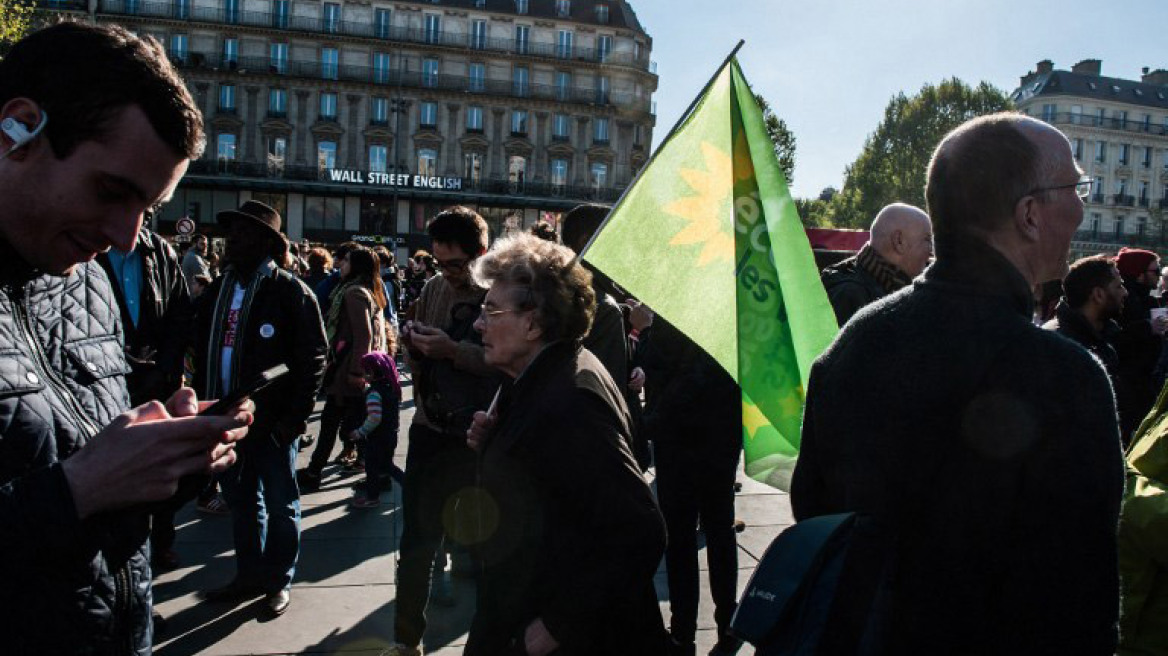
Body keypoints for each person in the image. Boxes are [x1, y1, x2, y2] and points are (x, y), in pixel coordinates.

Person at [791, 113, 1124, 654]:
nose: (1084, 207)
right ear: (1030, 215)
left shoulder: (858, 340)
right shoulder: (1063, 376)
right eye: (1076, 186)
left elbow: (817, 521)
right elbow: (1079, 607)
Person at [0, 22, 252, 653]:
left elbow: (81, 462)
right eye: (112, 191)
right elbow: (73, 486)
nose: (126, 237)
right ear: (19, 128)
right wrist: (76, 490)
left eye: (149, 208)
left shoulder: (86, 279)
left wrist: (168, 460)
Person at [463, 233, 668, 656]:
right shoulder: (544, 373)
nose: (478, 324)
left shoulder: (568, 400)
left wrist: (556, 626)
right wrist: (495, 443)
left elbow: (638, 530)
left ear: (534, 322)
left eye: (490, 310)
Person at [192, 200, 327, 617]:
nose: (231, 240)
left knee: (282, 502)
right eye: (230, 231)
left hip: (272, 422)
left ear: (266, 243)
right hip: (225, 419)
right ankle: (249, 575)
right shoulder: (219, 287)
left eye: (242, 232)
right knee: (242, 501)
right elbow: (197, 341)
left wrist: (294, 418)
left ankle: (277, 581)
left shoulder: (289, 291)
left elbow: (311, 359)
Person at [381, 207, 498, 656]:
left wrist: (453, 351)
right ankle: (406, 641)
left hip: (476, 439)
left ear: (480, 253)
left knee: (485, 547)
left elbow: (505, 365)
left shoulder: (500, 292)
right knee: (417, 543)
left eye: (455, 263)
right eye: (438, 261)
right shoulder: (432, 287)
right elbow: (421, 365)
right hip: (430, 430)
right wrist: (413, 344)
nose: (446, 273)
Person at [639, 317, 743, 656]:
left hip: (682, 437)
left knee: (684, 536)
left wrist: (651, 422)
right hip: (718, 433)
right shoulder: (730, 317)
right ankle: (725, 624)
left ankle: (686, 631)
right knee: (717, 530)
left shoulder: (678, 316)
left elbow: (668, 371)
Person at [98, 224, 196, 571]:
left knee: (159, 471)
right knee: (112, 477)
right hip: (103, 383)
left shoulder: (159, 251)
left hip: (156, 382)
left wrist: (165, 367)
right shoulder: (90, 244)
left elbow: (181, 315)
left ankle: (159, 544)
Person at [300, 245, 388, 488]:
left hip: (348, 369)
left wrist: (355, 371)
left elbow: (364, 336)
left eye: (347, 260)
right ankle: (374, 472)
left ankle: (315, 471)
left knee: (332, 422)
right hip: (354, 368)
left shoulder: (353, 293)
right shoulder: (366, 291)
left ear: (356, 266)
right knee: (354, 422)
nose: (341, 264)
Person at [819, 203, 933, 325]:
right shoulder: (849, 295)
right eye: (927, 239)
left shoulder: (876, 285)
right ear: (899, 241)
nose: (931, 251)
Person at [1043, 255, 1126, 381]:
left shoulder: (1102, 338)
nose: (1125, 292)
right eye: (1119, 286)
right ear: (1098, 295)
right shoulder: (1060, 347)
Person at [1115, 247, 1168, 441]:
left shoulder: (1146, 299)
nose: (1159, 274)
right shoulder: (1124, 301)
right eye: (1155, 270)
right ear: (1139, 274)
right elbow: (1118, 336)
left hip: (1145, 378)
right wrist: (1148, 327)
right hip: (1130, 380)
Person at [347, 351, 405, 509]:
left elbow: (374, 418)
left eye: (366, 371)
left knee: (372, 468)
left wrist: (359, 432)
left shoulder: (374, 393)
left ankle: (372, 498)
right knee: (388, 466)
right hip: (390, 436)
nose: (364, 375)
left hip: (377, 439)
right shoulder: (390, 388)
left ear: (373, 372)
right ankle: (409, 486)